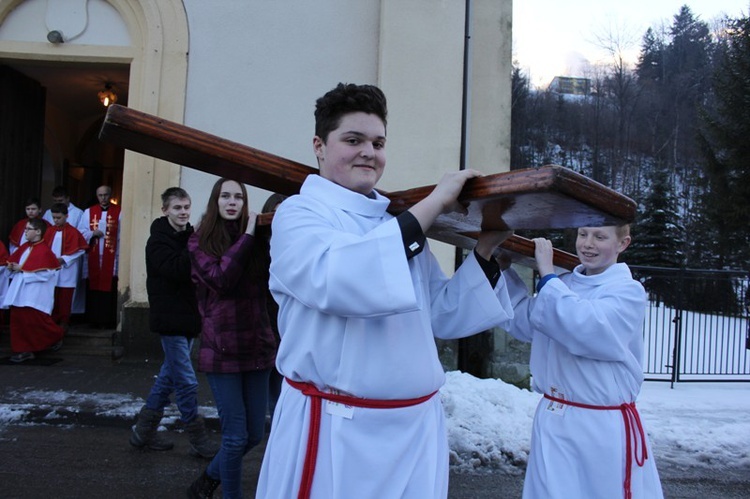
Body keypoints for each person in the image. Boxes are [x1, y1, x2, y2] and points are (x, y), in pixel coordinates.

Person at [255, 83, 515, 499]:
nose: (369, 153)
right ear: (319, 146)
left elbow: (441, 313)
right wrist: (432, 205)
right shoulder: (300, 214)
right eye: (353, 140)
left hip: (415, 430)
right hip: (340, 433)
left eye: (378, 143)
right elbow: (340, 279)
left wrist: (486, 247)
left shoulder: (392, 224)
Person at [501, 225, 663, 499]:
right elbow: (523, 320)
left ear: (623, 243)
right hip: (553, 421)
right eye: (583, 234)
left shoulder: (627, 291)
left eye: (600, 237)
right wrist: (502, 268)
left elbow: (588, 329)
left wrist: (548, 275)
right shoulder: (564, 284)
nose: (588, 244)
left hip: (598, 426)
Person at [187, 178, 277, 498]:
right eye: (225, 196)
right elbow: (221, 279)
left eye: (238, 197)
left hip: (257, 348)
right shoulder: (198, 241)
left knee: (253, 435)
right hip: (221, 350)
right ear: (215, 201)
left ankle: (206, 481)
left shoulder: (257, 240)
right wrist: (249, 236)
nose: (232, 202)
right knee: (235, 437)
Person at [130, 187, 218, 459]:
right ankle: (197, 436)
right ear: (165, 210)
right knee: (187, 382)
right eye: (178, 208)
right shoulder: (158, 241)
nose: (183, 212)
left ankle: (142, 432)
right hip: (169, 321)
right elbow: (177, 270)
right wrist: (195, 245)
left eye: (186, 207)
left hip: (189, 318)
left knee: (168, 379)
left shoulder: (190, 237)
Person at [2, 218, 64, 363]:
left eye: (28, 229)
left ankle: (55, 336)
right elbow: (14, 263)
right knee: (18, 321)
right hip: (19, 292)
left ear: (37, 232)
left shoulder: (44, 251)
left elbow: (48, 273)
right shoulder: (24, 247)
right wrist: (12, 267)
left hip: (34, 293)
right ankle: (22, 350)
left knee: (35, 322)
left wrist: (23, 269)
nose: (25, 231)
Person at [77, 185, 121, 328]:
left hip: (111, 256)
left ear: (110, 195)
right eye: (100, 195)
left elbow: (122, 234)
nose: (103, 198)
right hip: (93, 256)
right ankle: (93, 320)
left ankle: (107, 320)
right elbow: (81, 232)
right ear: (97, 196)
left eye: (106, 195)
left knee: (109, 287)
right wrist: (92, 234)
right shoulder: (88, 212)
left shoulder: (119, 212)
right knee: (94, 287)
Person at [261, 192, 287, 420]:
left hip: (285, 329)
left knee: (280, 393)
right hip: (263, 328)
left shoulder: (295, 246)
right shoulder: (259, 247)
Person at [43, 203, 88, 334]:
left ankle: (64, 322)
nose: (56, 220)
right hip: (52, 270)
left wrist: (65, 259)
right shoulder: (49, 231)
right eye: (54, 218)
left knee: (65, 297)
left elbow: (80, 250)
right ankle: (52, 321)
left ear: (66, 216)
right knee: (52, 296)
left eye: (58, 217)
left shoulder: (73, 232)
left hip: (67, 270)